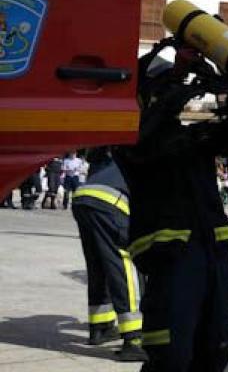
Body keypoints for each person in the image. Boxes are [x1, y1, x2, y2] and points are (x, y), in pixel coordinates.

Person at [118, 47, 228, 371]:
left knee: (216, 346)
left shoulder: (189, 126)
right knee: (171, 353)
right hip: (172, 256)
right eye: (164, 83)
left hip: (213, 252)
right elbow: (152, 137)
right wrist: (184, 85)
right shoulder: (133, 131)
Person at [71, 146, 146, 361]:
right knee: (124, 264)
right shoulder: (150, 157)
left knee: (98, 264)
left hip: (83, 198)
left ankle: (100, 328)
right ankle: (134, 338)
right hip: (110, 203)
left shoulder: (111, 156)